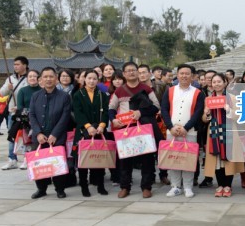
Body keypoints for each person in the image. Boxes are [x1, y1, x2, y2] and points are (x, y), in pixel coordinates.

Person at [109, 62, 162, 199]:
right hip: (126, 129)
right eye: (128, 71)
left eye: (134, 70)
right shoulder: (119, 90)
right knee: (126, 159)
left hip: (143, 127)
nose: (131, 73)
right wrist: (113, 119)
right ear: (124, 74)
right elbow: (111, 108)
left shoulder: (146, 89)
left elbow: (156, 106)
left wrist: (141, 112)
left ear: (138, 73)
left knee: (147, 158)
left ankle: (146, 187)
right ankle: (125, 187)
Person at [161, 64, 205, 198]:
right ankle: (175, 186)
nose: (184, 76)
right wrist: (170, 127)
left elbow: (198, 113)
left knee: (188, 159)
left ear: (192, 76)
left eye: (187, 74)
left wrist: (186, 128)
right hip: (172, 131)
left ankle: (187, 186)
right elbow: (164, 109)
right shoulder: (169, 90)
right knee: (173, 159)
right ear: (177, 75)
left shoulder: (198, 92)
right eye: (182, 73)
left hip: (190, 131)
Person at [28, 67, 72, 199]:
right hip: (40, 136)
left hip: (56, 136)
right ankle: (41, 188)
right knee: (40, 163)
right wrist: (38, 133)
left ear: (56, 79)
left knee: (57, 162)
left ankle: (60, 189)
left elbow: (65, 117)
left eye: (51, 76)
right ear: (40, 79)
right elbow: (32, 115)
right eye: (45, 77)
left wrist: (55, 134)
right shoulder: (35, 96)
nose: (48, 79)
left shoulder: (64, 96)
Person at [203, 73, 244, 197]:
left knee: (228, 159)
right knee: (216, 159)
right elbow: (205, 119)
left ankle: (227, 186)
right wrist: (207, 113)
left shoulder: (233, 98)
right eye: (214, 82)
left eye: (219, 81)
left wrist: (229, 110)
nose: (216, 84)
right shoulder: (208, 99)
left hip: (229, 130)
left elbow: (239, 116)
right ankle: (220, 185)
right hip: (214, 131)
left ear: (225, 82)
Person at [72, 69, 110, 197]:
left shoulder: (102, 95)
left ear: (97, 80)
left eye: (94, 79)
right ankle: (84, 186)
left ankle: (101, 186)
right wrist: (88, 127)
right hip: (84, 131)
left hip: (98, 131)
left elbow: (105, 112)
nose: (92, 81)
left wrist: (102, 125)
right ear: (84, 80)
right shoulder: (78, 94)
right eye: (89, 78)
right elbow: (78, 113)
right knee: (83, 161)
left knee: (99, 160)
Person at [1, 56, 29, 170]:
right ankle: (12, 159)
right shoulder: (10, 78)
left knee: (27, 135)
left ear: (25, 65)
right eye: (14, 64)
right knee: (11, 135)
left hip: (26, 112)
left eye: (18, 64)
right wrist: (8, 88)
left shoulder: (30, 77)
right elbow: (1, 93)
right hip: (12, 112)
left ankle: (27, 158)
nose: (15, 66)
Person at [14, 70, 42, 169]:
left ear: (39, 78)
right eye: (30, 76)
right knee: (28, 141)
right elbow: (20, 107)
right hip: (27, 120)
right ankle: (27, 159)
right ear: (27, 78)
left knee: (37, 141)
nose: (32, 78)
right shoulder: (22, 91)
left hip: (41, 119)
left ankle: (35, 159)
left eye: (35, 76)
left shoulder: (42, 90)